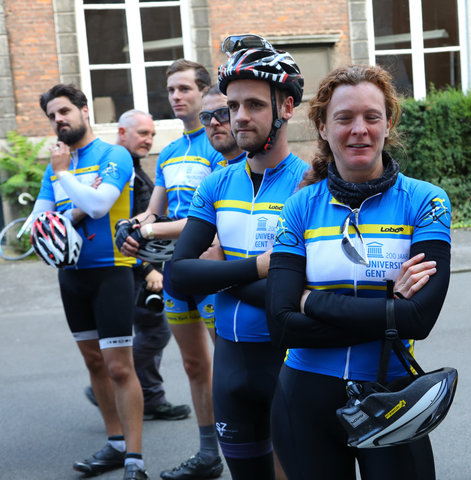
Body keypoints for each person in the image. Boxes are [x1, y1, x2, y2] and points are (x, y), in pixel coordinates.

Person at [265, 64, 452, 479]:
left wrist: (312, 300)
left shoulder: (426, 201)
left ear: (389, 123)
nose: (359, 130)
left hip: (393, 395)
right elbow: (280, 324)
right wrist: (390, 313)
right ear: (323, 127)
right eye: (344, 118)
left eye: (372, 117)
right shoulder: (300, 206)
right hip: (304, 395)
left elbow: (420, 319)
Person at [170, 34, 306, 479]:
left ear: (286, 107)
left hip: (288, 364)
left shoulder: (309, 185)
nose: (239, 117)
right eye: (232, 106)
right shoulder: (216, 184)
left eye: (254, 105)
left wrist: (217, 272)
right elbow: (175, 277)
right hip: (229, 364)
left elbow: (290, 294)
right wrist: (257, 267)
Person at [33, 84, 149, 480]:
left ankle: (135, 458)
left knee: (119, 366)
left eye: (64, 111)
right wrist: (65, 202)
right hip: (71, 275)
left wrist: (65, 178)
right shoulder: (56, 166)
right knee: (93, 362)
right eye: (52, 115)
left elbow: (99, 205)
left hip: (111, 271)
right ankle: (115, 444)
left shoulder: (113, 154)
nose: (58, 120)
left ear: (84, 110)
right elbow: (38, 222)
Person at [118, 59, 225, 480]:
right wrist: (134, 228)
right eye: (171, 91)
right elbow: (153, 210)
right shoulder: (173, 151)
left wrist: (151, 232)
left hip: (211, 267)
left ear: (204, 94)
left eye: (184, 89)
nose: (176, 97)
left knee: (231, 365)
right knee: (194, 366)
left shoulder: (219, 144)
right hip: (176, 270)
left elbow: (206, 217)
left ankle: (250, 449)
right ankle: (208, 455)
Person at [83, 109, 192, 422]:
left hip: (145, 266)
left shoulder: (133, 166)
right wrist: (148, 269)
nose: (149, 140)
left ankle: (151, 396)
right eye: (143, 133)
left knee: (149, 328)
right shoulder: (119, 169)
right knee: (156, 332)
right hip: (134, 268)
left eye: (152, 134)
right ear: (121, 134)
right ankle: (111, 378)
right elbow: (120, 227)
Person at [200, 84, 244, 165]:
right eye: (206, 117)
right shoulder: (214, 174)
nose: (213, 122)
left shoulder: (262, 168)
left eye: (223, 113)